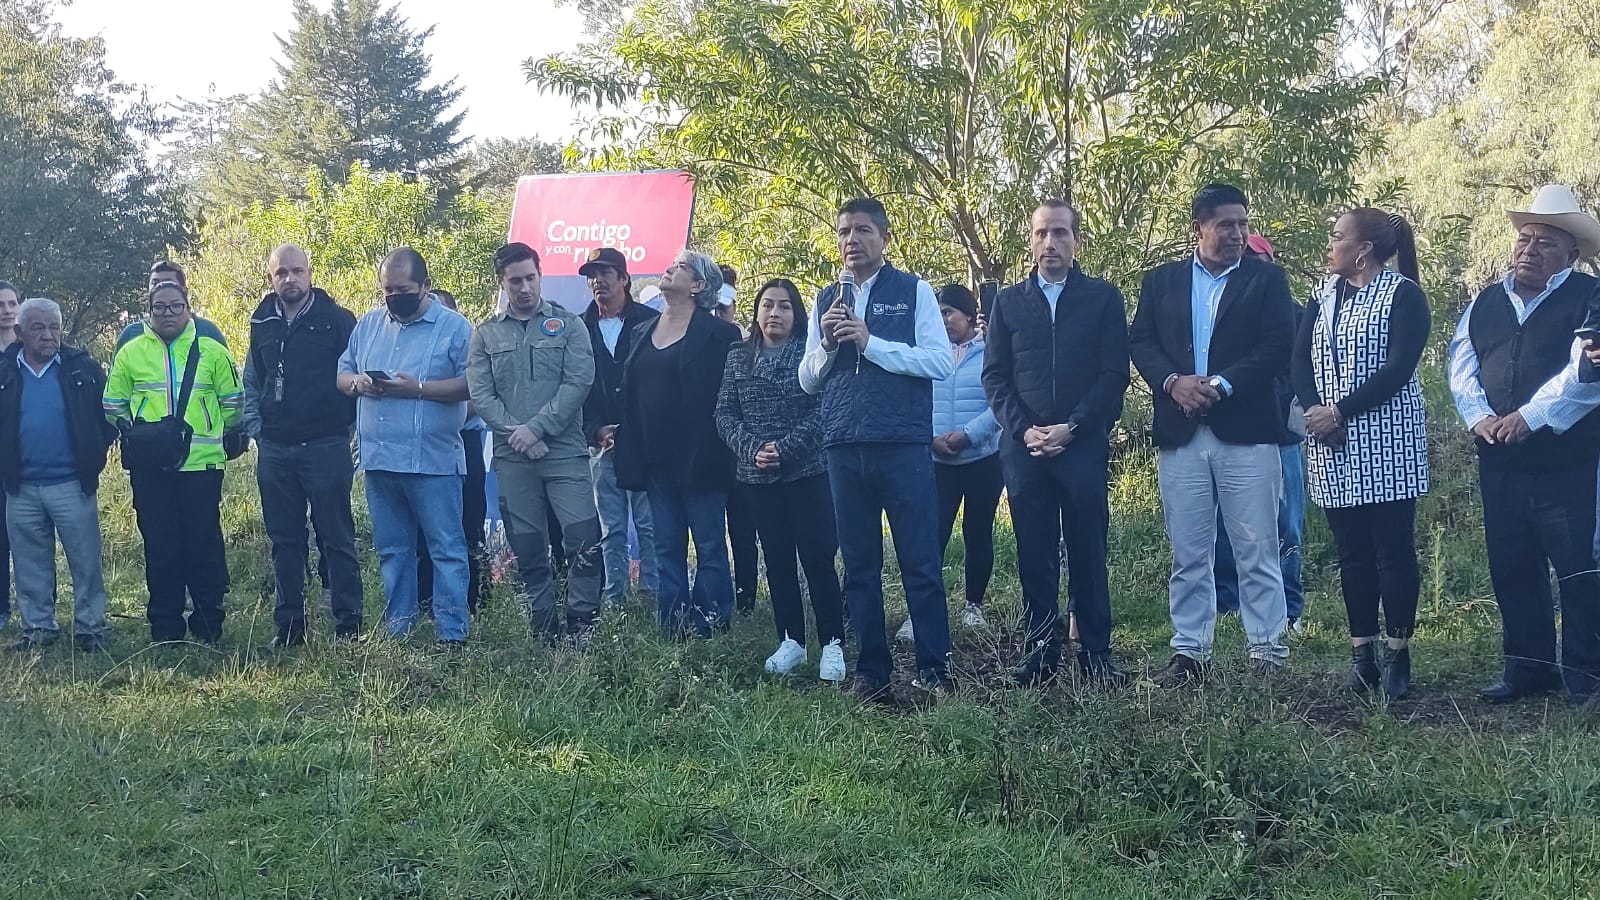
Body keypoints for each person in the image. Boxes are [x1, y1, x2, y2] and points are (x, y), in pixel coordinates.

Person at [1128, 183, 1296, 685]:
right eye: (1226, 224)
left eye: (1243, 224)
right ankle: (1190, 654)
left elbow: (1276, 345)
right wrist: (1173, 382)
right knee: (1190, 550)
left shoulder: (1266, 281)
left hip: (1245, 431)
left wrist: (1220, 384)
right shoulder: (1161, 281)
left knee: (1257, 547)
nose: (1238, 234)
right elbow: (1142, 341)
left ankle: (1266, 653)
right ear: (1197, 229)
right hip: (1182, 433)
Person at [800, 197, 955, 698]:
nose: (851, 240)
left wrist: (871, 343)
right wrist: (826, 346)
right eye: (843, 231)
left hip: (903, 445)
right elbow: (806, 381)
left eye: (863, 230)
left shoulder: (913, 291)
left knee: (920, 562)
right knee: (859, 565)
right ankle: (871, 670)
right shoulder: (826, 299)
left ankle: (933, 669)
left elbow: (939, 362)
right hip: (843, 446)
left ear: (884, 238)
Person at [1452, 184, 1600, 707]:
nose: (1529, 250)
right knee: (1512, 565)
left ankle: (1587, 679)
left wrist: (1529, 417)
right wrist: (1479, 417)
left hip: (1570, 463)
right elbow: (1462, 364)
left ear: (1571, 253)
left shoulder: (1592, 297)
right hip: (1501, 461)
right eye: (1525, 239)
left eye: (1545, 243)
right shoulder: (1486, 301)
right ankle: (1528, 669)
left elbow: (1587, 372)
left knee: (1580, 570)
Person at [983, 200, 1130, 685]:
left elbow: (1113, 375)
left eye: (1061, 233)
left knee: (1088, 548)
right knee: (1034, 552)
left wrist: (1075, 427)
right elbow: (995, 378)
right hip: (1025, 450)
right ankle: (1041, 652)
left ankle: (1095, 654)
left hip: (1081, 444)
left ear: (1077, 241)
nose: (1051, 243)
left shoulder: (1102, 299)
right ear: (1031, 240)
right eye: (1043, 233)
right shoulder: (1008, 302)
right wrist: (1024, 430)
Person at [1294, 210, 1430, 698]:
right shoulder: (1322, 294)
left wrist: (1341, 410)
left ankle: (1398, 652)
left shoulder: (1403, 296)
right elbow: (1299, 357)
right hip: (1330, 442)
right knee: (1352, 553)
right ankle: (1362, 655)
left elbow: (1397, 369)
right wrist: (1314, 410)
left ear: (1364, 248)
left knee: (1392, 550)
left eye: (1337, 237)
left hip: (1386, 437)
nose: (1329, 244)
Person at [336, 248, 474, 649]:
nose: (394, 296)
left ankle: (452, 637)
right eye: (387, 290)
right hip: (380, 461)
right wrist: (358, 383)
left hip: (432, 462)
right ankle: (400, 632)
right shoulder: (369, 325)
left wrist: (416, 389)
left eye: (403, 289)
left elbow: (471, 386)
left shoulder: (455, 328)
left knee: (446, 551)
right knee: (394, 552)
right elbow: (342, 374)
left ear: (425, 286)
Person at [468, 242, 605, 642]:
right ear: (502, 284)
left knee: (583, 539)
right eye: (515, 281)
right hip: (514, 459)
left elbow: (578, 381)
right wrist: (519, 434)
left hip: (564, 454)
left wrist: (538, 429)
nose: (524, 287)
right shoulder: (486, 335)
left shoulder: (569, 325)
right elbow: (482, 394)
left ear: (540, 276)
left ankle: (583, 624)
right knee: (528, 548)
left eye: (530, 278)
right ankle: (543, 628)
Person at [715, 278, 846, 678]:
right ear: (756, 312)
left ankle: (832, 644)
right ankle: (791, 640)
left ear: (797, 314)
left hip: (806, 472)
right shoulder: (738, 355)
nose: (775, 313)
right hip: (756, 476)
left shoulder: (809, 353)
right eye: (768, 305)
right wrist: (753, 449)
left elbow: (824, 410)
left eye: (785, 306)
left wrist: (784, 448)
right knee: (776, 560)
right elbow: (724, 413)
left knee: (818, 558)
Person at [609, 250, 741, 636]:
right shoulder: (639, 330)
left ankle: (710, 626)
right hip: (654, 460)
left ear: (698, 286)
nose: (668, 270)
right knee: (665, 547)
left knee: (709, 546)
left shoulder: (720, 334)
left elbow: (729, 396)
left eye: (680, 268)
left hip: (703, 458)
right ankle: (672, 627)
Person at [104, 280, 243, 644]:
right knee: (161, 549)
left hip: (201, 467)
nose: (167, 313)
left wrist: (212, 430)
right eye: (159, 307)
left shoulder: (212, 351)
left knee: (204, 547)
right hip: (151, 470)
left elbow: (234, 405)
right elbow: (111, 404)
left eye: (175, 306)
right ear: (148, 312)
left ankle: (209, 625)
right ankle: (165, 629)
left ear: (188, 308)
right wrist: (138, 431)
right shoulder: (131, 352)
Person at [241, 244, 363, 647]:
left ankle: (348, 625)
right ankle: (289, 627)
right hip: (275, 450)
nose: (289, 279)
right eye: (281, 273)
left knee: (336, 537)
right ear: (271, 278)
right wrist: (257, 430)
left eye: (297, 271)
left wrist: (351, 433)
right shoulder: (261, 322)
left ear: (310, 273)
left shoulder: (337, 321)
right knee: (285, 541)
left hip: (326, 446)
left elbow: (356, 377)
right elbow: (252, 381)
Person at [0, 298, 117, 652]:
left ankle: (90, 629)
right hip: (20, 487)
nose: (48, 335)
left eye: (54, 327)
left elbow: (107, 418)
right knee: (29, 565)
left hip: (72, 484)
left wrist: (93, 453)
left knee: (85, 563)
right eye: (38, 328)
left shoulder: (81, 367)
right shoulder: (4, 370)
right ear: (19, 332)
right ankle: (37, 630)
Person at [1213, 236, 1308, 633]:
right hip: (1228, 431)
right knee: (1221, 526)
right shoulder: (1218, 309)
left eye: (1257, 258)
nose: (1249, 265)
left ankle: (1289, 609)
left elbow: (1306, 370)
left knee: (1285, 524)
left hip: (1280, 433)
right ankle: (1228, 604)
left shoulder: (1296, 313)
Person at [578, 247, 660, 604]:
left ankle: (655, 598)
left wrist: (634, 429)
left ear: (625, 278)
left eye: (606, 272)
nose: (598, 280)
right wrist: (596, 430)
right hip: (601, 444)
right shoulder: (578, 328)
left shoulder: (650, 322)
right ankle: (616, 602)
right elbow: (575, 388)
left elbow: (657, 383)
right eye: (592, 275)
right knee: (610, 529)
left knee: (649, 525)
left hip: (643, 442)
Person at [924, 283, 1001, 635]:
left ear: (969, 314)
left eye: (949, 313)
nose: (944, 321)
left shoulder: (991, 352)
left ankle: (974, 605)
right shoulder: (930, 353)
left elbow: (1000, 404)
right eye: (938, 314)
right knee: (931, 534)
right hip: (938, 462)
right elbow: (919, 400)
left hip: (983, 458)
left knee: (978, 531)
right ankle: (923, 609)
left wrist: (969, 435)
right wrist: (931, 439)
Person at [417, 288, 490, 616]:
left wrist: (434, 405)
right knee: (423, 534)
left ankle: (472, 602)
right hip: (423, 445)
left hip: (464, 442)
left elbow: (478, 398)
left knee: (466, 528)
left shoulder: (471, 345)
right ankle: (424, 603)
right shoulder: (415, 346)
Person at [716, 263, 760, 613]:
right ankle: (715, 600)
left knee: (744, 531)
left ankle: (746, 601)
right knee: (710, 532)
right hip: (707, 450)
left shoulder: (745, 343)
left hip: (742, 450)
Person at [115, 261, 230, 353]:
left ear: (183, 289)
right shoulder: (132, 334)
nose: (161, 287)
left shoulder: (207, 331)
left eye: (167, 282)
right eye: (155, 283)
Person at [0, 280, 18, 628]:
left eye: (11, 304)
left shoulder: (26, 349)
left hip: (23, 457)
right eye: (0, 305)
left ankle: (42, 605)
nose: (6, 311)